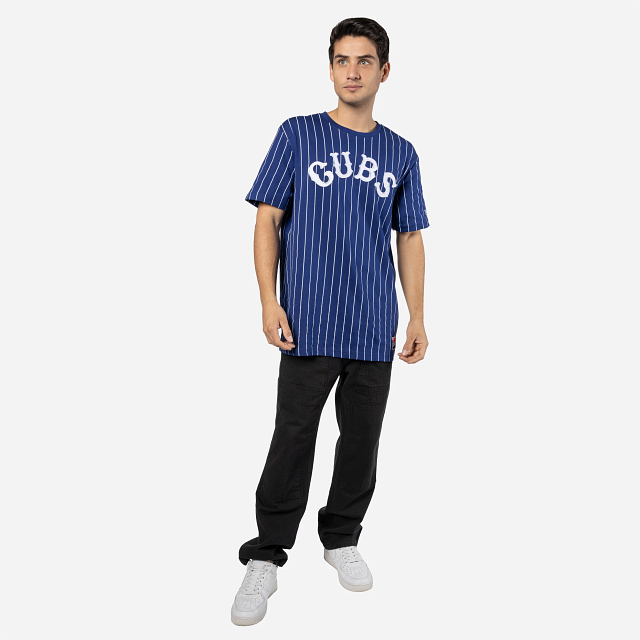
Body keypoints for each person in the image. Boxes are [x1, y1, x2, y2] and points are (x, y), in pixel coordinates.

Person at [231, 16, 430, 626]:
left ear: (384, 71)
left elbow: (410, 236)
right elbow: (267, 219)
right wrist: (268, 300)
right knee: (293, 437)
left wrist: (417, 314)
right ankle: (266, 553)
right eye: (342, 60)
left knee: (362, 439)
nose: (352, 71)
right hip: (308, 320)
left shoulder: (400, 152)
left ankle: (342, 536)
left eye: (364, 60)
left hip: (373, 323)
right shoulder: (297, 135)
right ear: (330, 68)